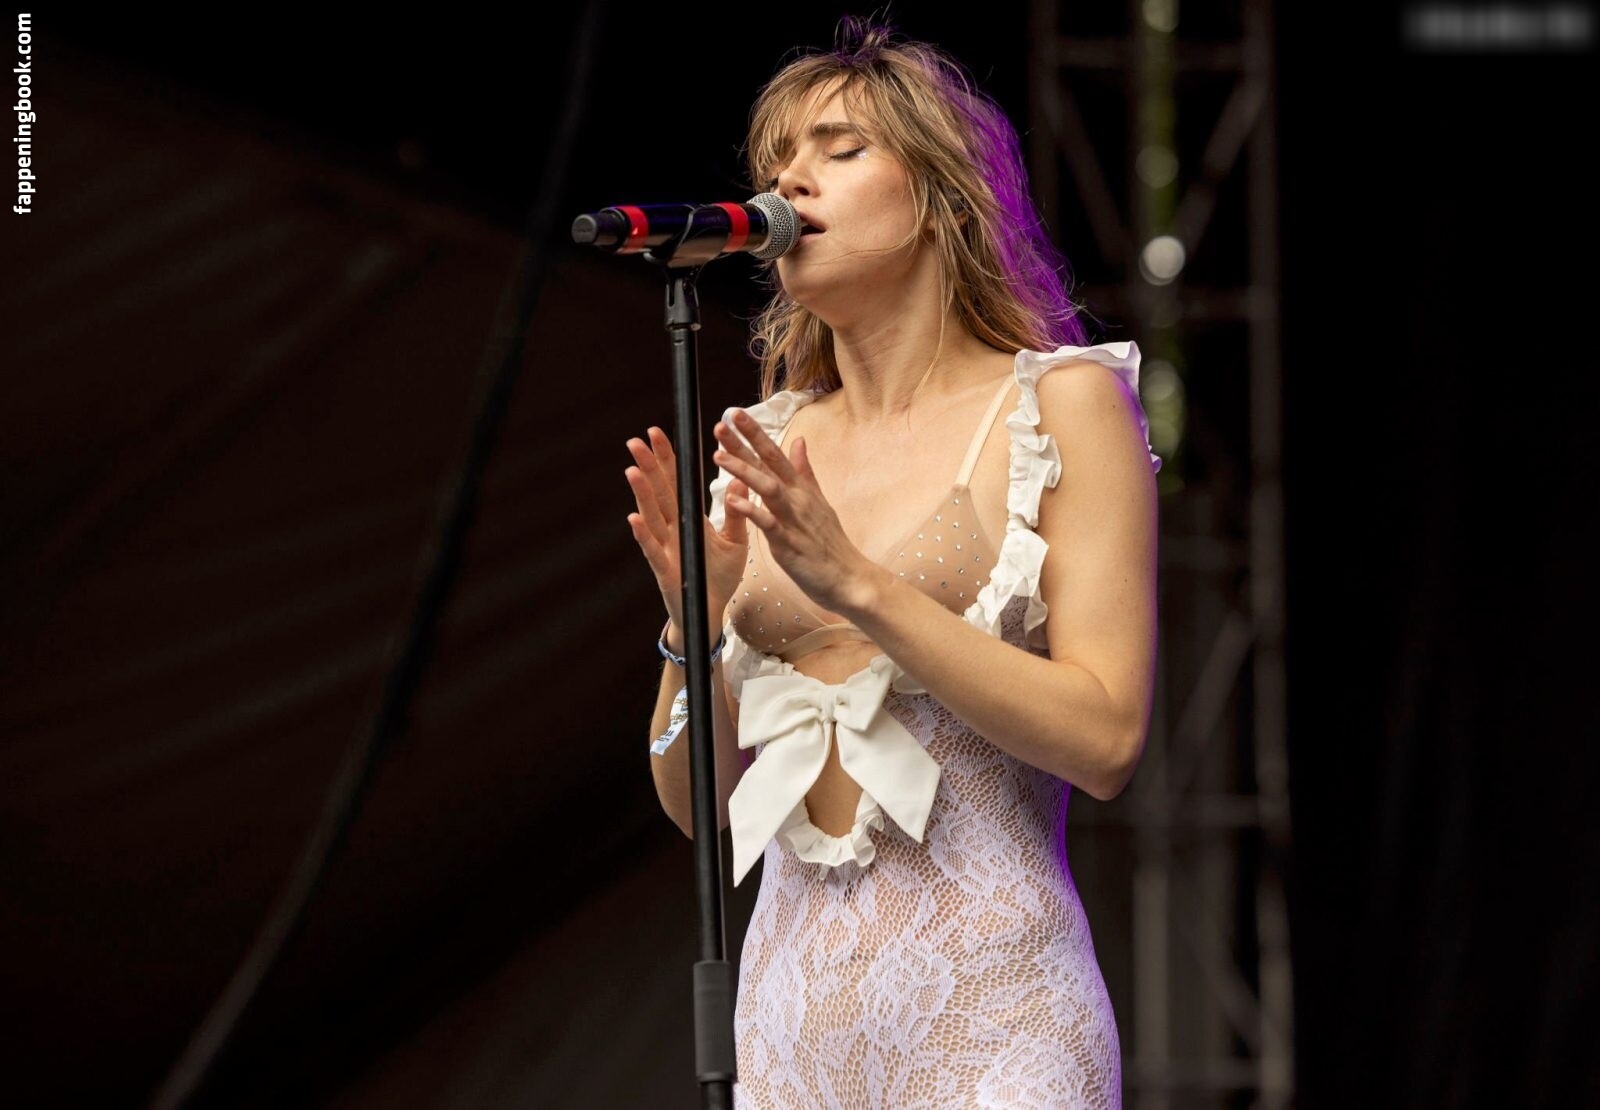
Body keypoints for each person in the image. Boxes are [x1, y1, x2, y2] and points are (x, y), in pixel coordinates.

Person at [625, 15, 1161, 1108]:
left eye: (839, 148)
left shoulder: (1058, 406)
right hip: (789, 1029)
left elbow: (1107, 739)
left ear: (940, 198)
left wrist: (859, 587)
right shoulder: (767, 441)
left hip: (995, 1017)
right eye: (780, 159)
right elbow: (694, 807)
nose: (790, 181)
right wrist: (690, 630)